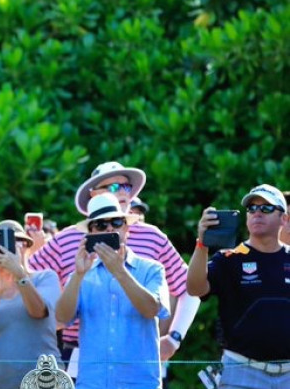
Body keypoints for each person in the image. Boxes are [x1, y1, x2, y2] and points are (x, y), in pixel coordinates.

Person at [30, 161, 199, 376]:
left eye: (126, 187)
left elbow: (189, 289)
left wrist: (175, 338)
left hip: (139, 356)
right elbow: (27, 283)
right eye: (112, 187)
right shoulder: (66, 239)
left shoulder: (153, 237)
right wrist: (51, 323)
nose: (121, 192)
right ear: (93, 194)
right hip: (78, 357)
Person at [55, 193, 170, 389]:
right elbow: (61, 318)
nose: (109, 229)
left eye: (116, 222)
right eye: (100, 225)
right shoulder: (81, 275)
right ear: (90, 233)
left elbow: (152, 309)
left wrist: (120, 272)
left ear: (126, 228)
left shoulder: (151, 269)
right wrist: (78, 275)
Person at [187, 184, 290, 389]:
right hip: (241, 372)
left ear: (284, 219)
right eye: (252, 209)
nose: (257, 213)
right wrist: (202, 244)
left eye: (267, 208)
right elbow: (195, 288)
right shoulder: (229, 258)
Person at [0, 220, 61, 389]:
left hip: (44, 384)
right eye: (0, 247)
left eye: (17, 243)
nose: (9, 250)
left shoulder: (45, 278)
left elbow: (38, 312)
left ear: (26, 247)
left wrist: (19, 275)